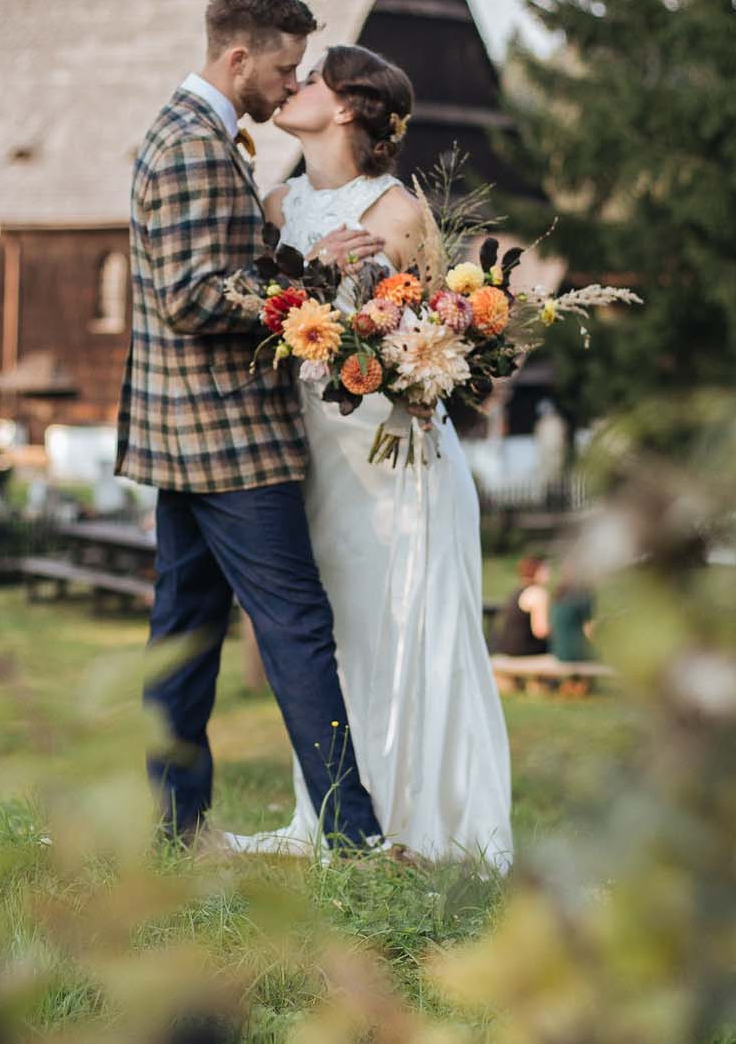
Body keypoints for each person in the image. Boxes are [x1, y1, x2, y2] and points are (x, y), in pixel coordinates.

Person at [222, 43, 515, 872]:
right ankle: (339, 813)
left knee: (407, 624)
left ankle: (428, 822)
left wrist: (413, 369)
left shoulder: (399, 214)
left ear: (348, 107)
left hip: (398, 455)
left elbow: (446, 331)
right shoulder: (277, 205)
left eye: (312, 80)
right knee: (336, 633)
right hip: (319, 456)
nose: (294, 87)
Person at [117, 0, 388, 855]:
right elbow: (194, 296)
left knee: (185, 637)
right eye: (283, 65)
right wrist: (306, 270)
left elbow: (213, 266)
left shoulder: (195, 132)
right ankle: (353, 840)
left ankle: (174, 830)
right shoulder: (195, 144)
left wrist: (288, 259)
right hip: (228, 438)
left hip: (185, 435)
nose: (289, 83)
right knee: (298, 629)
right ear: (239, 56)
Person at [490, 555, 551, 657]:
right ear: (536, 571)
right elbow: (540, 631)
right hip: (525, 650)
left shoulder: (517, 591)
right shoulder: (537, 593)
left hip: (506, 649)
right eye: (545, 570)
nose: (549, 573)